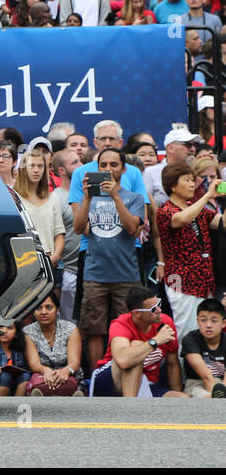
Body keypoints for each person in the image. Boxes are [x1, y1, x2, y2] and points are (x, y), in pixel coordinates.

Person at [75, 146, 147, 370]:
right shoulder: (90, 197)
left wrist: (115, 196)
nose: (108, 169)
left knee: (126, 329)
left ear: (123, 169)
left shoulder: (134, 197)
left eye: (113, 165)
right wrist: (86, 198)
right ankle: (97, 377)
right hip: (95, 274)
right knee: (95, 332)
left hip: (126, 275)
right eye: (103, 165)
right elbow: (78, 228)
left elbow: (132, 228)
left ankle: (123, 373)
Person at [155, 160, 224, 342]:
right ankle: (184, 371)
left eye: (193, 179)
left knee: (205, 335)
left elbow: (222, 224)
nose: (193, 184)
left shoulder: (198, 208)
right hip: (181, 280)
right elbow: (182, 219)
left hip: (205, 279)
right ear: (172, 185)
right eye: (187, 180)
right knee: (186, 332)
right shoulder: (165, 210)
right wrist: (206, 196)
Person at [90, 286, 186, 397]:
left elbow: (172, 365)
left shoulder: (165, 323)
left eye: (158, 304)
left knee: (182, 398)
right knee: (135, 349)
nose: (159, 310)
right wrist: (155, 341)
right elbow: (123, 360)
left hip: (148, 384)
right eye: (153, 309)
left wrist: (179, 394)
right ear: (137, 313)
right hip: (110, 379)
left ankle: (134, 404)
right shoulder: (121, 325)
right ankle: (131, 408)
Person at [23, 293, 85, 396]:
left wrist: (65, 371)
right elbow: (34, 364)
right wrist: (46, 371)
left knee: (69, 383)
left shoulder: (70, 329)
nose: (43, 312)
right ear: (33, 312)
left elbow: (74, 362)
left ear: (57, 310)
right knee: (40, 384)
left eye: (49, 307)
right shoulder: (28, 332)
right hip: (42, 375)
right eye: (39, 308)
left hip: (67, 374)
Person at [181, 298, 226, 398]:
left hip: (222, 382)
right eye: (203, 320)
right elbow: (206, 377)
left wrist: (223, 391)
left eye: (214, 321)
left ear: (223, 323)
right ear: (197, 321)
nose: (208, 325)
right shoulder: (190, 339)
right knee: (203, 396)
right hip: (196, 384)